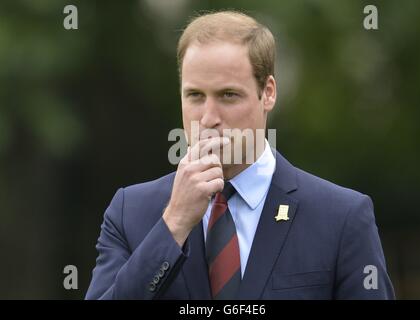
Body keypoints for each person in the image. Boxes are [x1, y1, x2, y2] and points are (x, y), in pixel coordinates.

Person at [85, 10, 395, 300]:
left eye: (228, 95)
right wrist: (174, 224)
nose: (208, 117)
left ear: (268, 93)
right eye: (195, 95)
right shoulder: (130, 213)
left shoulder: (341, 218)